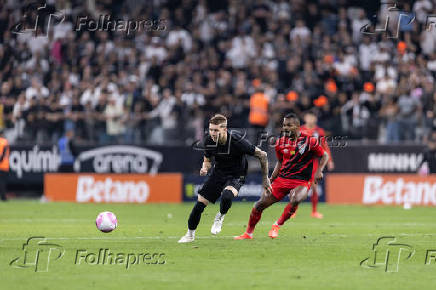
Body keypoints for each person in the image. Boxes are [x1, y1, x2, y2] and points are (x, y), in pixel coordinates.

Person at [178, 114, 271, 243]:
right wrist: (205, 168)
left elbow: (263, 155)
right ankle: (189, 235)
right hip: (218, 173)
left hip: (237, 174)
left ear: (224, 129)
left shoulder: (237, 141)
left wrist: (265, 179)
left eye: (216, 130)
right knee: (199, 205)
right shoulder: (209, 141)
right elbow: (207, 160)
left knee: (227, 196)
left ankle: (220, 216)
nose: (212, 133)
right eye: (211, 129)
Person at [234, 113, 329, 240]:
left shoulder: (310, 140)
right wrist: (271, 179)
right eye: (284, 125)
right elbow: (280, 162)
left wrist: (319, 171)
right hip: (282, 179)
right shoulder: (280, 143)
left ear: (297, 126)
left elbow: (325, 155)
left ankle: (276, 225)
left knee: (295, 199)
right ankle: (248, 233)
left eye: (289, 125)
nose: (285, 128)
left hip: (301, 181)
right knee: (259, 205)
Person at [290, 110, 334, 219]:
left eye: (312, 117)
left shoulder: (319, 131)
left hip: (313, 161)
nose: (310, 119)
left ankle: (314, 212)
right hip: (301, 161)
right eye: (308, 117)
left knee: (314, 186)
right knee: (297, 187)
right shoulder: (300, 130)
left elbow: (324, 146)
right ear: (305, 118)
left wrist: (330, 160)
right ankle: (293, 211)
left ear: (315, 119)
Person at [0, 129, 9, 201]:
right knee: (2, 182)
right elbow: (3, 154)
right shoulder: (4, 142)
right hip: (4, 165)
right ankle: (3, 197)